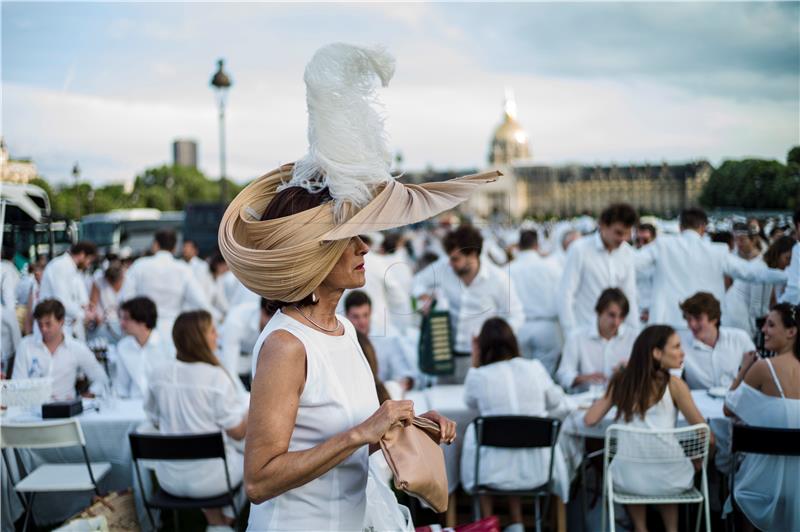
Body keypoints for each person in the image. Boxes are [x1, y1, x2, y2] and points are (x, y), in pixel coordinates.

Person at [220, 44, 488, 531]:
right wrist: (361, 432)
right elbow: (258, 480)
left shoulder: (341, 328)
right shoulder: (285, 345)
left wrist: (408, 426)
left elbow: (351, 434)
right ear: (315, 257)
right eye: (350, 238)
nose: (365, 247)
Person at [584, 325, 710, 532]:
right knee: (665, 465)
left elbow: (590, 419)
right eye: (677, 346)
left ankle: (640, 528)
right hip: (672, 479)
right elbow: (706, 436)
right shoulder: (675, 385)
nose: (682, 352)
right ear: (657, 353)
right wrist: (699, 459)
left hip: (629, 479)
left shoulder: (621, 382)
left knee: (639, 466)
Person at [461, 318, 571, 531]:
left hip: (491, 472)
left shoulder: (479, 376)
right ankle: (517, 521)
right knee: (515, 447)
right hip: (537, 469)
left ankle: (488, 521)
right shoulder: (534, 368)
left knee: (483, 441)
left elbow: (469, 402)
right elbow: (556, 400)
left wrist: (475, 361)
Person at [144, 311, 247, 531]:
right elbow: (237, 432)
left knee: (213, 460)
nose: (217, 336)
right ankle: (223, 522)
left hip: (169, 479)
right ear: (198, 338)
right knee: (254, 458)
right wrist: (251, 412)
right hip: (214, 479)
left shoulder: (158, 374)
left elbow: (152, 418)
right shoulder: (216, 377)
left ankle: (217, 523)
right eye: (212, 331)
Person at [635, 208, 786, 330]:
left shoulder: (662, 245)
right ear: (703, 228)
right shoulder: (718, 251)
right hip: (706, 326)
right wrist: (787, 276)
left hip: (667, 324)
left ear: (680, 227)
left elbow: (634, 262)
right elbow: (752, 273)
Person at [413, 224, 524, 383]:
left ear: (472, 254)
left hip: (482, 358)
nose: (450, 263)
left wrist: (495, 337)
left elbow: (516, 316)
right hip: (445, 357)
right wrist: (423, 297)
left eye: (456, 259)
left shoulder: (499, 279)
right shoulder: (444, 266)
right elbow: (417, 282)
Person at [724, 303, 800, 532]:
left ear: (791, 331)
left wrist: (744, 369)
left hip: (761, 483)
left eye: (771, 324)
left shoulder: (763, 368)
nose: (764, 330)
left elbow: (729, 408)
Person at [558, 203, 639, 335]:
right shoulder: (579, 250)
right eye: (618, 233)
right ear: (602, 225)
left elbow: (629, 295)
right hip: (585, 331)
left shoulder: (627, 252)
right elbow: (565, 294)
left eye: (627, 234)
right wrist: (571, 333)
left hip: (617, 334)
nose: (623, 239)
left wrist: (634, 333)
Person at [120, 229, 214, 338]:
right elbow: (201, 303)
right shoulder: (184, 269)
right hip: (173, 331)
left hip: (143, 329)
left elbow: (125, 298)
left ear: (155, 245)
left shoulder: (139, 266)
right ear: (174, 248)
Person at [12, 299, 108, 401]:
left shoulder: (76, 347)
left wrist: (91, 394)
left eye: (48, 324)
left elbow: (101, 379)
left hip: (66, 409)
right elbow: (17, 385)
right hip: (32, 410)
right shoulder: (25, 345)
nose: (43, 329)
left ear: (61, 321)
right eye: (40, 324)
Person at [556, 288, 638, 391]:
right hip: (586, 402)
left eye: (621, 317)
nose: (616, 323)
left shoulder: (633, 337)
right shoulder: (577, 337)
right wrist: (583, 378)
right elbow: (563, 374)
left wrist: (628, 369)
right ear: (599, 312)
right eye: (611, 315)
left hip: (622, 400)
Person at [510, 230, 563, 375]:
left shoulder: (508, 270)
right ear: (537, 245)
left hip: (519, 327)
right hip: (547, 326)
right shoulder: (551, 268)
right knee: (545, 376)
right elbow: (562, 298)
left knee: (521, 375)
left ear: (519, 246)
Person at [679, 292, 755, 390]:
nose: (692, 324)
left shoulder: (739, 338)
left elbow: (757, 370)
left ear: (714, 319)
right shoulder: (681, 345)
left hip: (736, 401)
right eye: (689, 319)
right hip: (699, 403)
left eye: (698, 318)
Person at [344, 290, 415, 391]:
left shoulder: (387, 341)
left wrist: (397, 387)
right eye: (356, 316)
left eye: (365, 315)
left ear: (371, 312)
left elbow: (404, 374)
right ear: (347, 315)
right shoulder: (341, 342)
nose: (362, 321)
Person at [114, 297, 173, 398]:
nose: (122, 323)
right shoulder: (123, 347)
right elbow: (121, 386)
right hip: (132, 405)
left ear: (142, 321)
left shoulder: (167, 345)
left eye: (126, 319)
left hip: (162, 403)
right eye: (121, 318)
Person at [39, 241, 98, 340]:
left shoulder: (72, 269)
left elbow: (74, 297)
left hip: (67, 327)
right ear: (82, 254)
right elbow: (61, 301)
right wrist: (84, 314)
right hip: (53, 327)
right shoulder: (60, 266)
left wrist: (84, 306)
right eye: (89, 260)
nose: (88, 265)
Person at [721, 223, 771, 339]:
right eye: (736, 240)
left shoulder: (761, 265)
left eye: (742, 240)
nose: (738, 244)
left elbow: (758, 306)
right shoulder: (732, 258)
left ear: (753, 240)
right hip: (728, 318)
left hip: (745, 324)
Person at [218, 297, 276, 386]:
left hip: (249, 365)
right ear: (263, 312)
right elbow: (229, 369)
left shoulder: (274, 323)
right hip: (225, 361)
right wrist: (244, 397)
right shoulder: (236, 321)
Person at [89, 263, 125, 343]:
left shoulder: (127, 281)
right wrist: (97, 316)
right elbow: (93, 304)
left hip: (120, 323)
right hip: (103, 324)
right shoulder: (98, 281)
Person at [635, 222, 657, 324]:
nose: (641, 243)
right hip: (635, 312)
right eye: (638, 240)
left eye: (645, 240)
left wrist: (651, 310)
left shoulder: (661, 260)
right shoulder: (631, 256)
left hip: (654, 312)